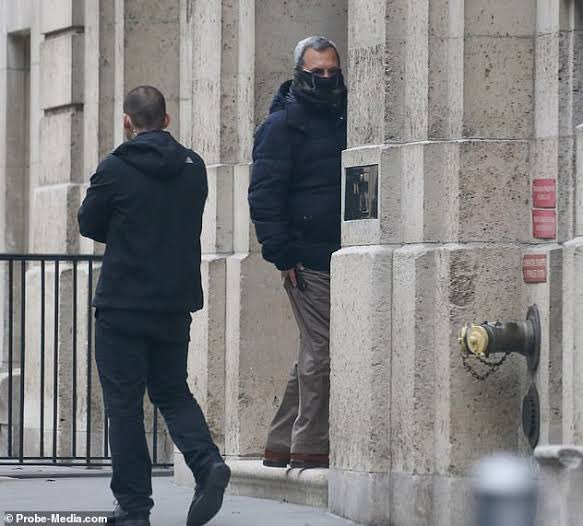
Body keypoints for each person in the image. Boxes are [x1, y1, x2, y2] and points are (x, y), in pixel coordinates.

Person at [78, 86, 230, 526]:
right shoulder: (194, 167)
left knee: (124, 406)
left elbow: (89, 222)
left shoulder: (114, 168)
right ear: (167, 120)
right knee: (172, 391)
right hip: (172, 304)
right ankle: (207, 463)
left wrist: (125, 228)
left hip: (123, 305)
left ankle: (134, 507)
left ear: (127, 122)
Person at [248, 36, 347, 469]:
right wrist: (282, 254)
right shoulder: (280, 127)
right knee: (323, 349)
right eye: (317, 72)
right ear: (299, 73)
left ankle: (280, 442)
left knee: (314, 347)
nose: (326, 78)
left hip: (341, 250)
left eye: (332, 71)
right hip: (306, 258)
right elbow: (264, 195)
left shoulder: (346, 116)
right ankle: (310, 444)